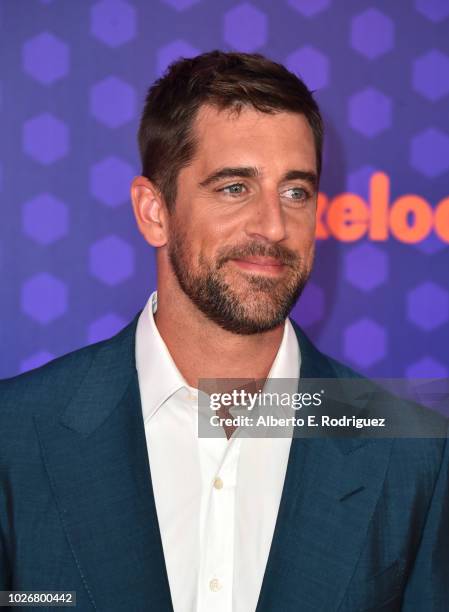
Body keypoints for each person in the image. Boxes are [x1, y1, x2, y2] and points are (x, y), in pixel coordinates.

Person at [0, 51, 448, 612]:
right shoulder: (15, 436)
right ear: (153, 211)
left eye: (296, 191)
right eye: (235, 187)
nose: (274, 226)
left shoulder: (413, 454)